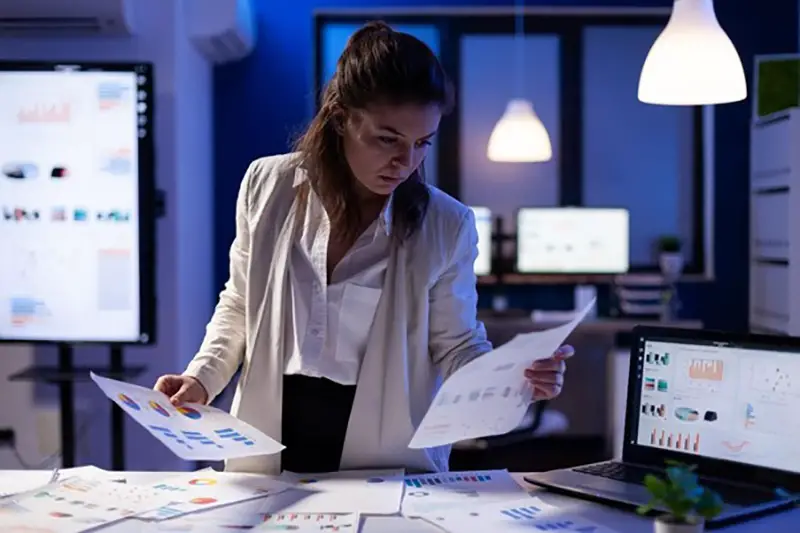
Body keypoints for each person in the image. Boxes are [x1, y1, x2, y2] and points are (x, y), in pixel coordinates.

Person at [154, 21, 573, 475]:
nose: (406, 163)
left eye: (421, 143)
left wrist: (512, 379)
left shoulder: (447, 224)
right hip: (270, 435)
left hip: (384, 448)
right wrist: (201, 377)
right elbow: (240, 305)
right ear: (340, 118)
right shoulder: (267, 185)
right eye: (387, 139)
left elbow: (456, 345)